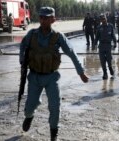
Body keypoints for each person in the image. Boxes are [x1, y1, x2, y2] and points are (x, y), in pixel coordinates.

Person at [19, 7, 89, 141]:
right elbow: (22, 46)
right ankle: (29, 116)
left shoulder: (58, 37)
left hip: (52, 77)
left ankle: (53, 133)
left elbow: (72, 53)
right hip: (34, 77)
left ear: (53, 19)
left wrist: (81, 73)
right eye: (41, 17)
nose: (43, 20)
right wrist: (22, 60)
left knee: (55, 106)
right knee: (29, 107)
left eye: (46, 18)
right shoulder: (32, 34)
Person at [94, 14, 117, 80]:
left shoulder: (110, 26)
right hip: (101, 45)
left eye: (104, 19)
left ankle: (110, 67)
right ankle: (105, 73)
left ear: (106, 19)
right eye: (102, 19)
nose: (103, 20)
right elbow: (97, 37)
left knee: (109, 59)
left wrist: (115, 43)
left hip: (108, 45)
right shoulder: (99, 27)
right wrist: (94, 44)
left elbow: (113, 35)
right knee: (102, 60)